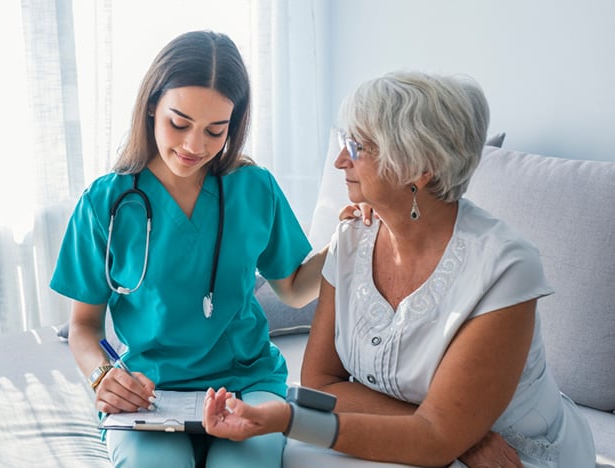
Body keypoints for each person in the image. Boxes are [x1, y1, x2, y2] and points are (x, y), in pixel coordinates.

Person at [203, 70, 596, 467]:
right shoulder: (353, 238)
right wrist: (461, 436)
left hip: (509, 455)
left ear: (418, 168)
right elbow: (322, 384)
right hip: (457, 443)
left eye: (357, 147)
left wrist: (291, 420)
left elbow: (433, 438)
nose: (341, 160)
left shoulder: (504, 268)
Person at [50, 30, 325, 468]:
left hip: (246, 381)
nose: (194, 146)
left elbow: (292, 289)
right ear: (152, 107)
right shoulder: (105, 203)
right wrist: (104, 376)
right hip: (150, 389)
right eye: (179, 124)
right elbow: (84, 326)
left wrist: (348, 243)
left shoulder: (254, 189)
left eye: (216, 131)